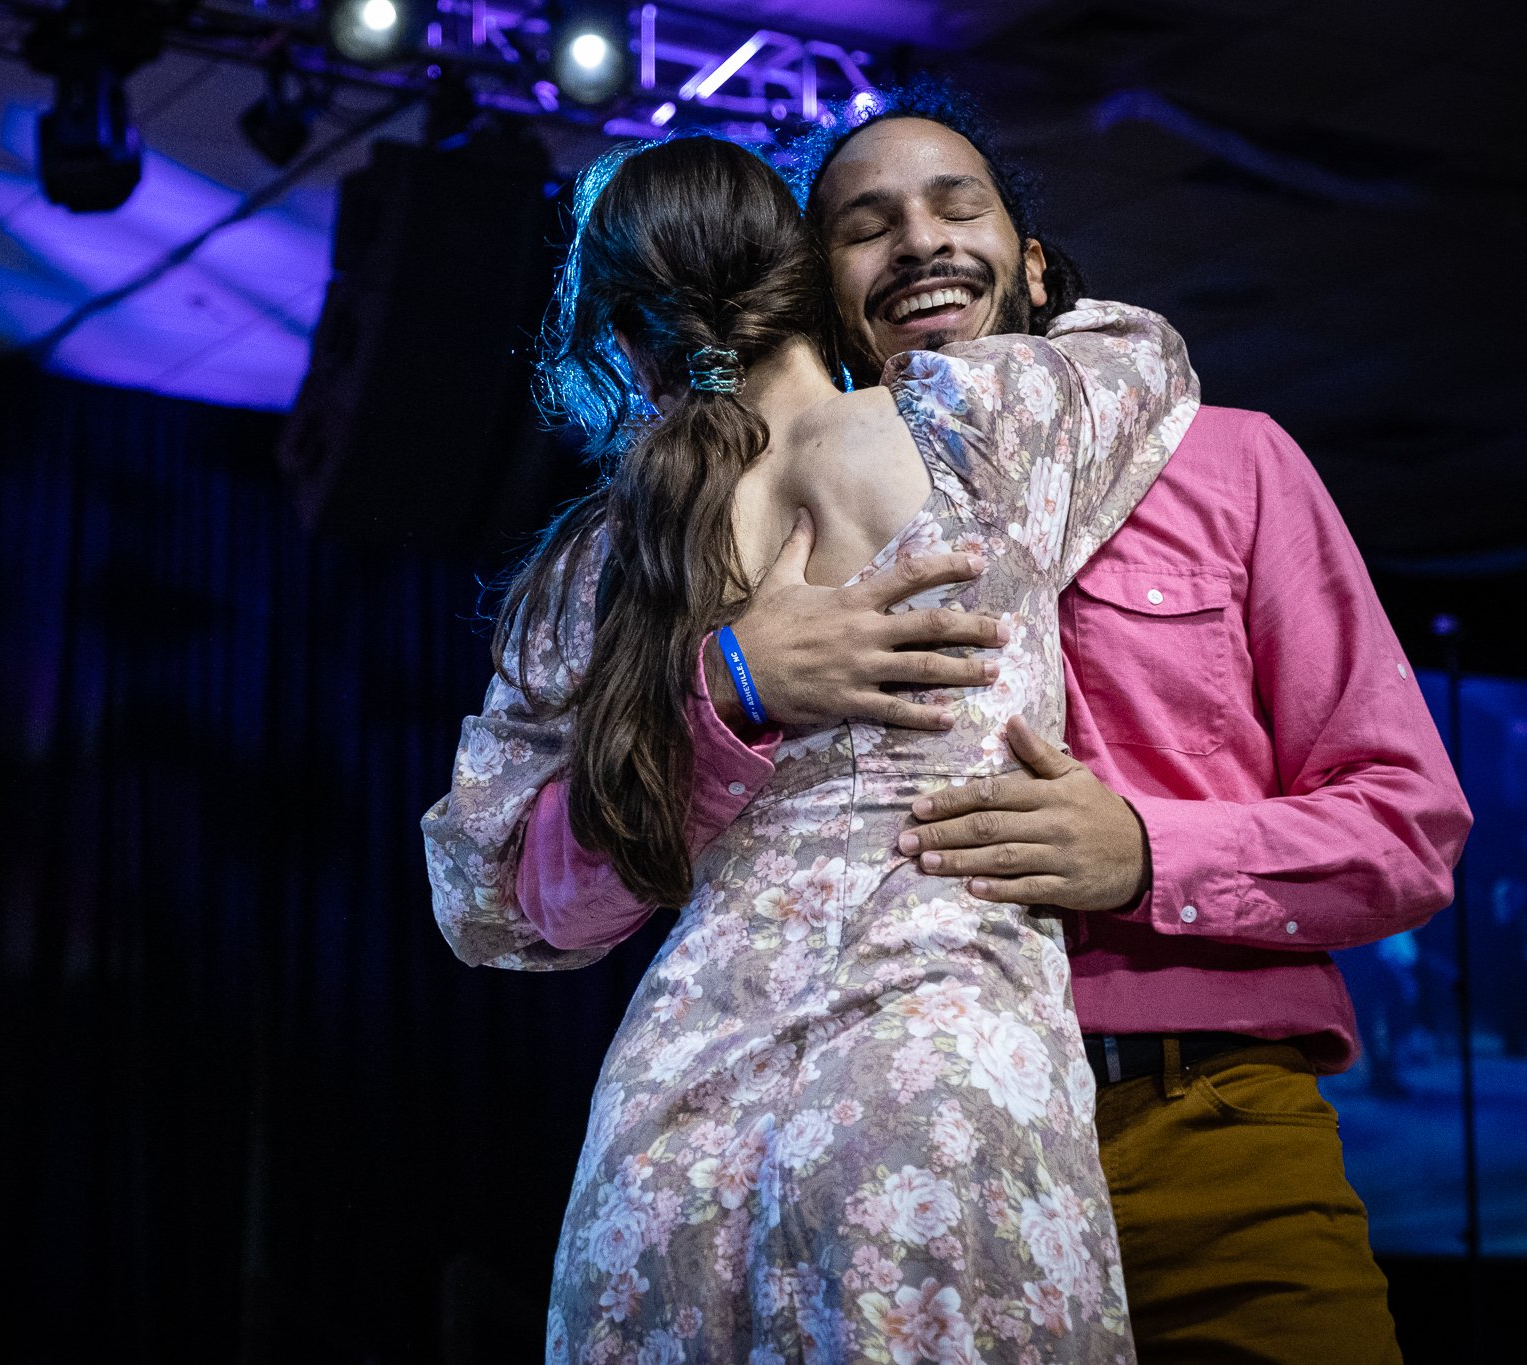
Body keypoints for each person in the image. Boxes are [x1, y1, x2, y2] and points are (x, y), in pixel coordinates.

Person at [432, 80, 1474, 1364]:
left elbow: (1406, 825)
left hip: (1201, 1129)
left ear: (1033, 261)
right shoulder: (715, 542)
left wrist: (1149, 856)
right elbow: (512, 894)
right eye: (866, 223)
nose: (918, 240)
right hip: (867, 1120)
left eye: (954, 204)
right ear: (805, 281)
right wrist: (722, 693)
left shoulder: (1232, 464)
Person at [422, 132, 1198, 1363]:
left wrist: (717, 688)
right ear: (804, 276)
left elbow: (489, 901)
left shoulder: (602, 559)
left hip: (673, 1116)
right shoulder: (972, 421)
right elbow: (1144, 355)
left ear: (619, 338)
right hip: (936, 1068)